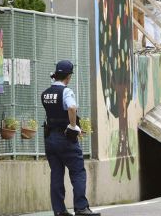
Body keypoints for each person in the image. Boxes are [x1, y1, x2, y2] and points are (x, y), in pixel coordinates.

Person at [41, 60, 100, 216]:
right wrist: (73, 126)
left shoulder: (46, 93)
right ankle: (81, 208)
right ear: (68, 76)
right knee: (78, 172)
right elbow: (72, 107)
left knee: (56, 174)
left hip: (49, 138)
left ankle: (59, 211)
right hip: (65, 138)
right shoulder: (66, 92)